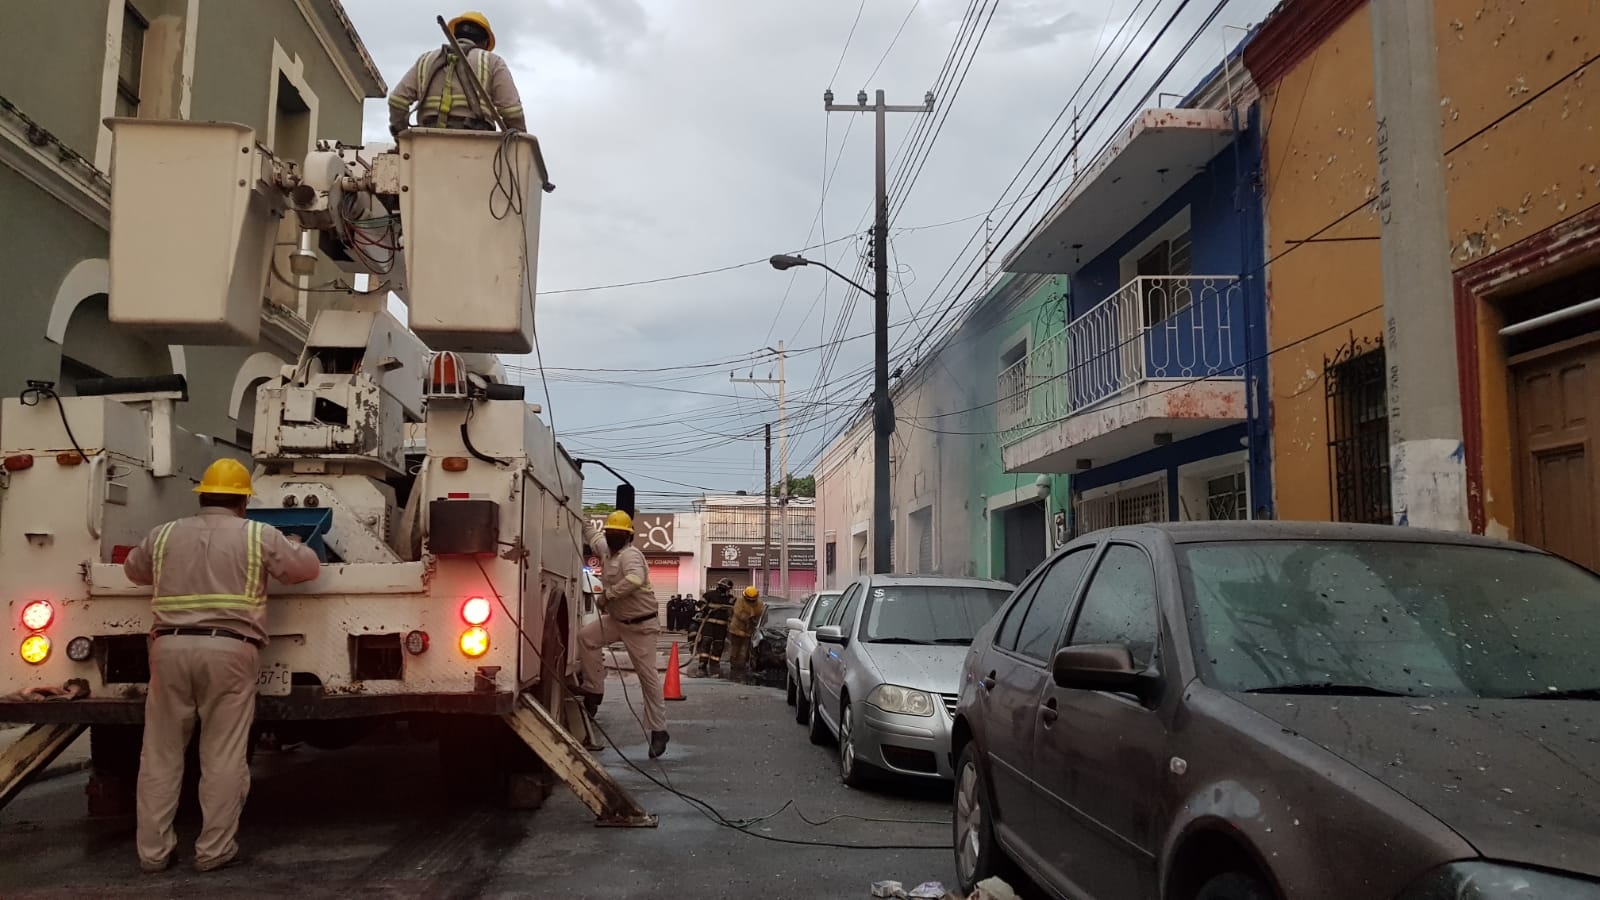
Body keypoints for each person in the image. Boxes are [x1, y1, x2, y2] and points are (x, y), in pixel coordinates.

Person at [124, 458, 321, 874]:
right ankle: (213, 850)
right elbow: (305, 569)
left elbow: (133, 571)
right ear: (243, 502)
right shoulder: (258, 536)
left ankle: (153, 854)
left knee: (160, 755)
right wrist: (293, 542)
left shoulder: (164, 535)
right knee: (223, 755)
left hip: (169, 650)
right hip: (230, 651)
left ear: (203, 497)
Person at [577, 511, 669, 759]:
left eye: (618, 533)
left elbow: (635, 579)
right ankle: (594, 689)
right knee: (587, 637)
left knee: (648, 678)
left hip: (641, 626)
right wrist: (578, 512)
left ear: (629, 536)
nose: (612, 536)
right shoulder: (605, 548)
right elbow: (591, 533)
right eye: (610, 532)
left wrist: (608, 595)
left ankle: (659, 731)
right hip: (617, 621)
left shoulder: (631, 555)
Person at [387, 11, 526, 137]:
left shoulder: (426, 60)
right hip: (478, 143)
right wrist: (518, 144)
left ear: (454, 36)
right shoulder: (493, 61)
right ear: (485, 43)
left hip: (426, 141)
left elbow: (397, 101)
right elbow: (512, 112)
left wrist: (401, 134)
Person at [694, 579, 735, 678]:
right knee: (705, 644)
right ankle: (702, 667)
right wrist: (706, 608)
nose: (726, 590)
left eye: (727, 589)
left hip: (721, 627)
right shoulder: (709, 595)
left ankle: (714, 668)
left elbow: (735, 611)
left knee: (718, 648)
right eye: (725, 588)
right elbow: (699, 604)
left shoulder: (731, 599)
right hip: (709, 625)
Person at [726, 586, 767, 684]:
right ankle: (733, 665)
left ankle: (741, 666)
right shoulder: (740, 602)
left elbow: (762, 615)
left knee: (744, 649)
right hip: (736, 629)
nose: (751, 601)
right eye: (749, 599)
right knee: (735, 648)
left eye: (753, 600)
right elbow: (738, 613)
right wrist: (748, 618)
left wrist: (756, 620)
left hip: (749, 631)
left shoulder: (760, 604)